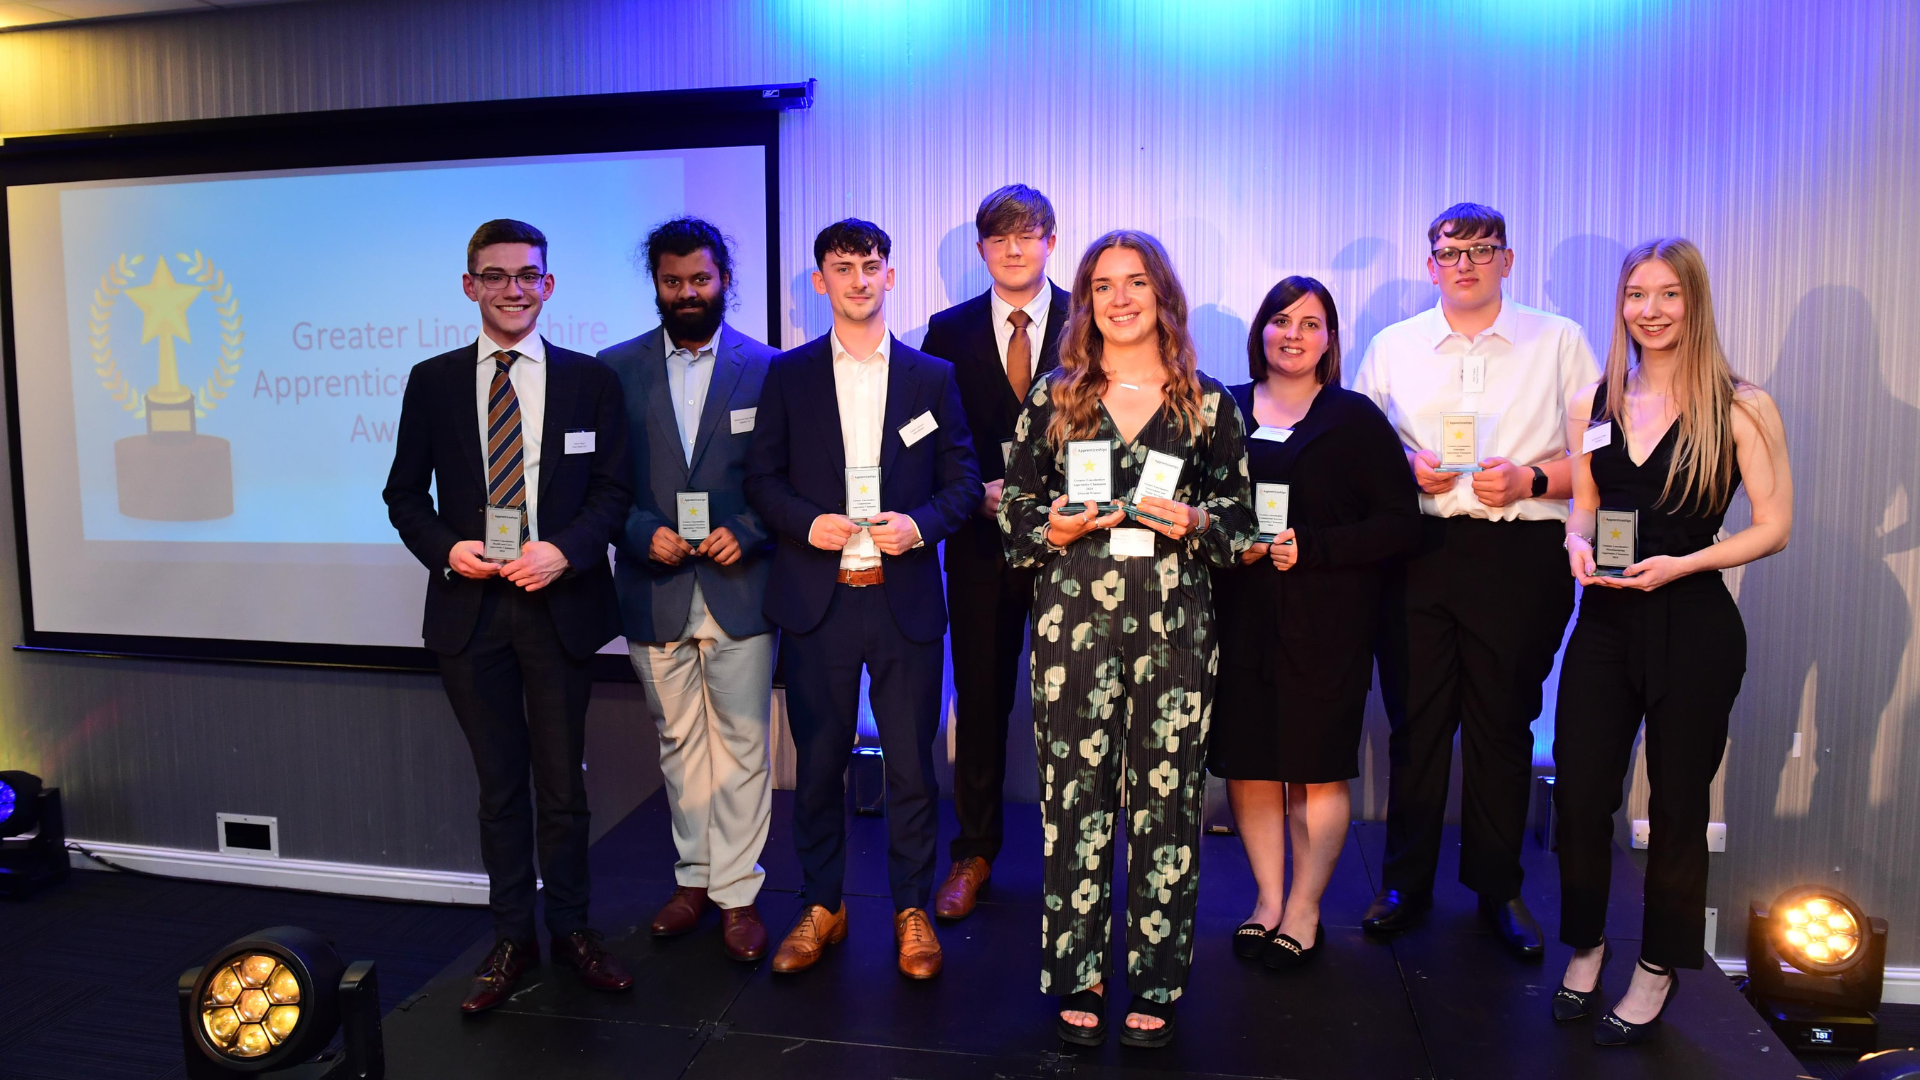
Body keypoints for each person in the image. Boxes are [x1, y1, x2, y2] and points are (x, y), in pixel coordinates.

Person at [1000, 230, 1253, 1048]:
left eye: (1135, 282)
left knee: (1168, 809)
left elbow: (1244, 526)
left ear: (1162, 294)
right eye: (1103, 285)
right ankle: (1077, 971)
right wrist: (1055, 525)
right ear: (1087, 300)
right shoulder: (1055, 397)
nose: (1119, 298)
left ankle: (1155, 976)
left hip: (1177, 632)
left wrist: (1198, 520)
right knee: (1072, 805)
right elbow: (1015, 515)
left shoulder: (1208, 403)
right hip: (1072, 629)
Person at [383, 219, 635, 1012]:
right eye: (495, 276)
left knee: (563, 787)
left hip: (557, 606)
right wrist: (447, 549)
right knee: (500, 789)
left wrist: (565, 550)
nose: (513, 289)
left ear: (549, 285)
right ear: (470, 287)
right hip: (470, 613)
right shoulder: (431, 381)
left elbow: (613, 495)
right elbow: (402, 496)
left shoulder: (592, 381)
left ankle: (573, 932)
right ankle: (511, 939)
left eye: (527, 275)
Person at [1551, 239, 1790, 1043]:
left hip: (1694, 626)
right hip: (1606, 623)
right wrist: (1575, 546)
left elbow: (1775, 525)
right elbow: (1584, 504)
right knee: (1581, 798)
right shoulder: (1595, 399)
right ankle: (1585, 947)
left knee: (1679, 809)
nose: (1649, 311)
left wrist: (1685, 562)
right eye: (1635, 295)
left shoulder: (1742, 403)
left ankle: (1657, 967)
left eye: (1667, 295)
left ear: (1695, 303)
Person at [1351, 202, 1600, 960]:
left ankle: (1498, 888)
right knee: (1418, 724)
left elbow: (1597, 455)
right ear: (1431, 265)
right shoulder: (1393, 346)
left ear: (1507, 260)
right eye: (1450, 253)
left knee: (1502, 724)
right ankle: (1405, 884)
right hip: (1416, 548)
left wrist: (1530, 477)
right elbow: (1360, 450)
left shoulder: (1559, 340)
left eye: (1481, 250)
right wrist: (1404, 468)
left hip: (1518, 553)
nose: (1464, 264)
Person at [743, 219, 981, 980]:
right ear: (820, 281)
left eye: (871, 266)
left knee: (912, 766)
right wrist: (809, 522)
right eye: (841, 268)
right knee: (817, 767)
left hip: (903, 598)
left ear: (890, 274)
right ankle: (823, 905)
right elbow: (762, 482)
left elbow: (966, 485)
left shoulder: (930, 377)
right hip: (820, 602)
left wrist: (921, 526)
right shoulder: (788, 375)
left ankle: (911, 910)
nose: (858, 280)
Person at [1209, 277, 1420, 969]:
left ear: (1330, 340)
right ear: (1260, 331)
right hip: (1238, 617)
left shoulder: (1354, 418)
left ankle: (1305, 908)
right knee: (1252, 768)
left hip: (1327, 622)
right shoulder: (1224, 412)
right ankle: (1268, 899)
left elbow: (1398, 524)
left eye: (1310, 323)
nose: (1293, 334)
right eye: (1280, 320)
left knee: (1316, 771)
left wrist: (1318, 548)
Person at [600, 217, 781, 963]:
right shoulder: (614, 370)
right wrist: (641, 532)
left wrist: (753, 527)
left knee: (741, 744)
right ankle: (693, 881)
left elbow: (791, 478)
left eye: (699, 280)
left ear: (724, 280)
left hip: (741, 584)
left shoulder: (771, 368)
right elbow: (599, 485)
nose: (686, 294)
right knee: (679, 744)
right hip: (655, 585)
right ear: (656, 286)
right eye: (672, 283)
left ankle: (738, 894)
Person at [917, 184, 1072, 920]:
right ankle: (973, 853)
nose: (1014, 250)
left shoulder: (1091, 318)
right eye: (1000, 238)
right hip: (978, 547)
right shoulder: (945, 332)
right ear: (983, 250)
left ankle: (1078, 858)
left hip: (1077, 552)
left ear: (1050, 241)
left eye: (1028, 235)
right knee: (978, 702)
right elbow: (927, 435)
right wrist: (969, 489)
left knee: (1074, 708)